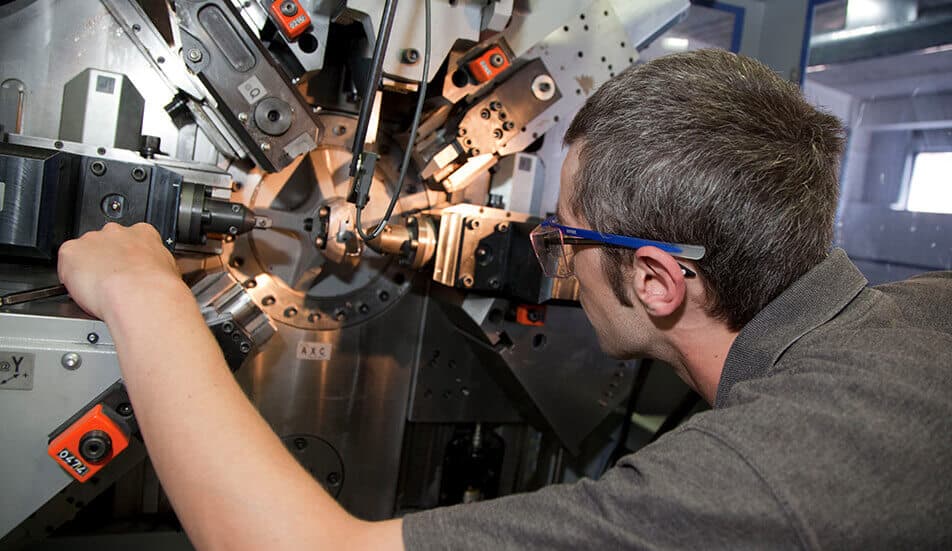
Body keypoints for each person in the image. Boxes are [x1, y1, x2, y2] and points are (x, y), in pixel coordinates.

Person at [57, 49, 952, 550]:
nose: (546, 253)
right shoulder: (929, 315)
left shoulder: (755, 486)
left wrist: (147, 296)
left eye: (562, 237)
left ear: (657, 280)